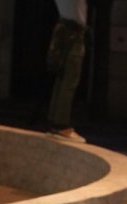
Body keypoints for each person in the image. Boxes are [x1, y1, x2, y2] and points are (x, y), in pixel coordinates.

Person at [46, 0, 87, 143]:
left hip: (65, 29)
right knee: (69, 80)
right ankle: (61, 125)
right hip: (73, 32)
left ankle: (55, 122)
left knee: (62, 78)